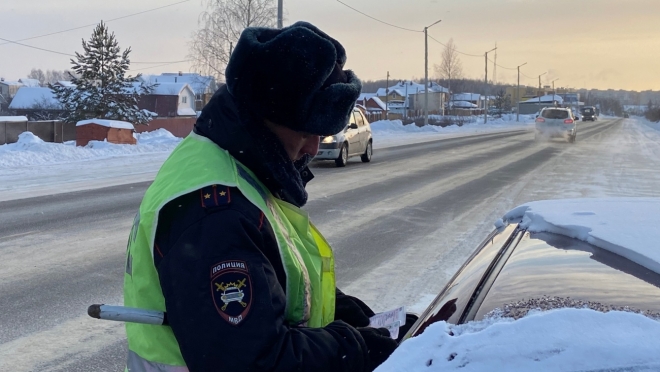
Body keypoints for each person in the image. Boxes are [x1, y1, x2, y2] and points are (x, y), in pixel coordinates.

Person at [123, 21, 412, 371]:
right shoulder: (216, 213)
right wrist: (360, 348)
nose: (314, 146)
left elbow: (280, 281)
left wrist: (363, 320)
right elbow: (254, 361)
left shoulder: (236, 167)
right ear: (264, 118)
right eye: (306, 131)